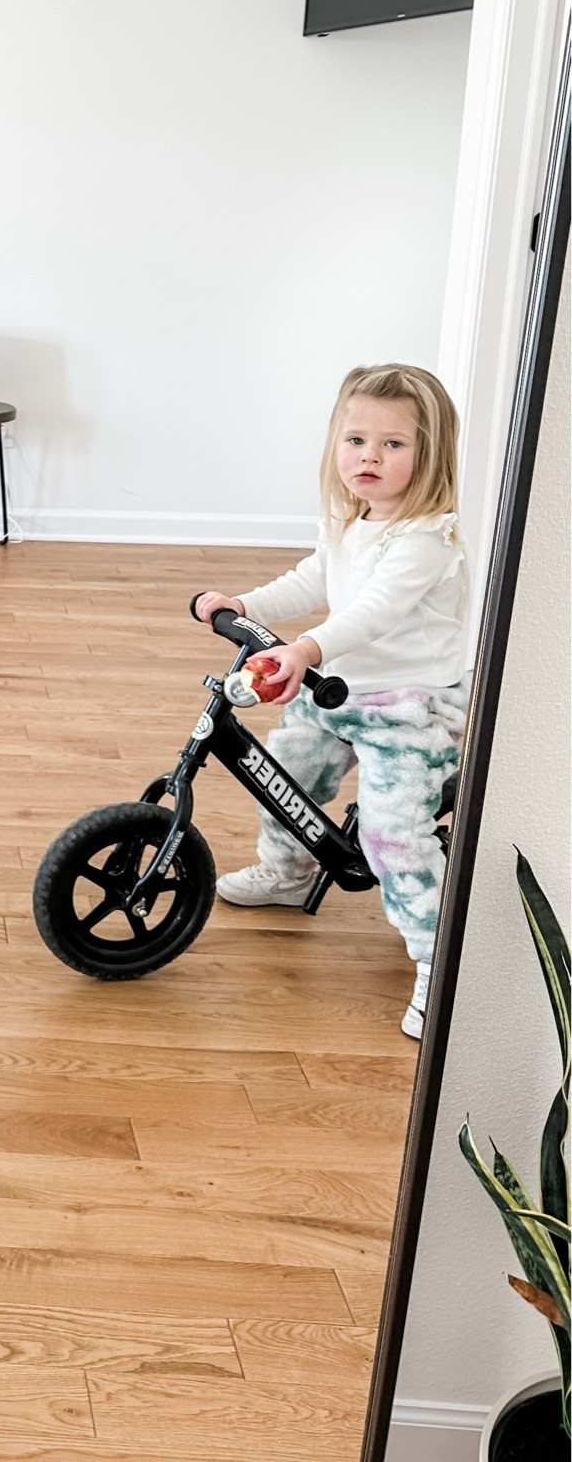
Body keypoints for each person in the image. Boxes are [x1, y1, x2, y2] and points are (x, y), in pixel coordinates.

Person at [194, 363, 469, 1041]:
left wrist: (305, 650)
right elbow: (313, 578)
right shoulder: (350, 519)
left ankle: (440, 966)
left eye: (392, 444)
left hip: (410, 706)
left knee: (391, 833)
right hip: (338, 690)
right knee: (280, 770)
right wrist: (244, 606)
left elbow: (372, 612)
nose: (368, 456)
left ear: (427, 455)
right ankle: (287, 872)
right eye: (355, 440)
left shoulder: (425, 541)